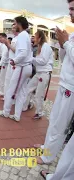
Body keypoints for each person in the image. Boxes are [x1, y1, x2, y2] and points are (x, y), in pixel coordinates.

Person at [33, 0, 74, 166]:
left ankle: (48, 158)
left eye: (73, 9)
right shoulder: (72, 35)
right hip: (66, 83)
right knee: (55, 119)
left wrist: (66, 43)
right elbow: (65, 59)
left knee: (60, 123)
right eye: (69, 8)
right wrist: (64, 44)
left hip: (72, 87)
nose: (70, 12)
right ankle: (47, 148)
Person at [0, 16, 33, 122]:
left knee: (11, 89)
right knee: (21, 91)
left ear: (19, 24)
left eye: (15, 23)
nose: (14, 25)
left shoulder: (22, 35)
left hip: (21, 66)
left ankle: (6, 112)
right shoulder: (26, 35)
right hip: (26, 67)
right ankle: (17, 115)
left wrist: (14, 60)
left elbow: (22, 52)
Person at [23, 30, 54, 119]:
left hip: (44, 73)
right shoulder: (40, 47)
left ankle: (39, 112)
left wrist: (31, 59)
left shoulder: (46, 47)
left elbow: (43, 61)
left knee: (39, 94)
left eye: (35, 37)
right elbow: (38, 62)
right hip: (39, 73)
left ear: (40, 38)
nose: (33, 39)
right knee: (28, 88)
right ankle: (27, 104)